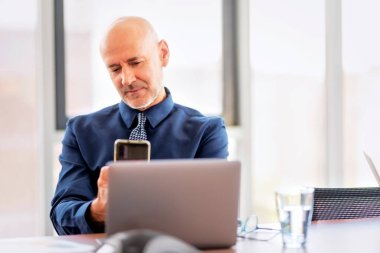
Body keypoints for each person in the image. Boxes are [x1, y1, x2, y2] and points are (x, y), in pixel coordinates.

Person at [50, 16, 228, 235]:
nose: (126, 79)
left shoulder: (206, 132)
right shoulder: (81, 131)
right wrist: (96, 211)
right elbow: (61, 213)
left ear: (163, 54)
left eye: (135, 63)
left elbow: (212, 216)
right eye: (115, 69)